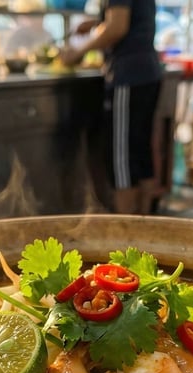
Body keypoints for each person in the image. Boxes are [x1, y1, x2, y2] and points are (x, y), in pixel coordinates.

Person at [60, 0, 163, 215]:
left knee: (122, 158)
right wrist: (98, 22)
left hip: (128, 76)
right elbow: (130, 17)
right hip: (147, 72)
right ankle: (147, 227)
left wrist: (78, 51)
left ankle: (126, 232)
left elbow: (117, 27)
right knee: (141, 151)